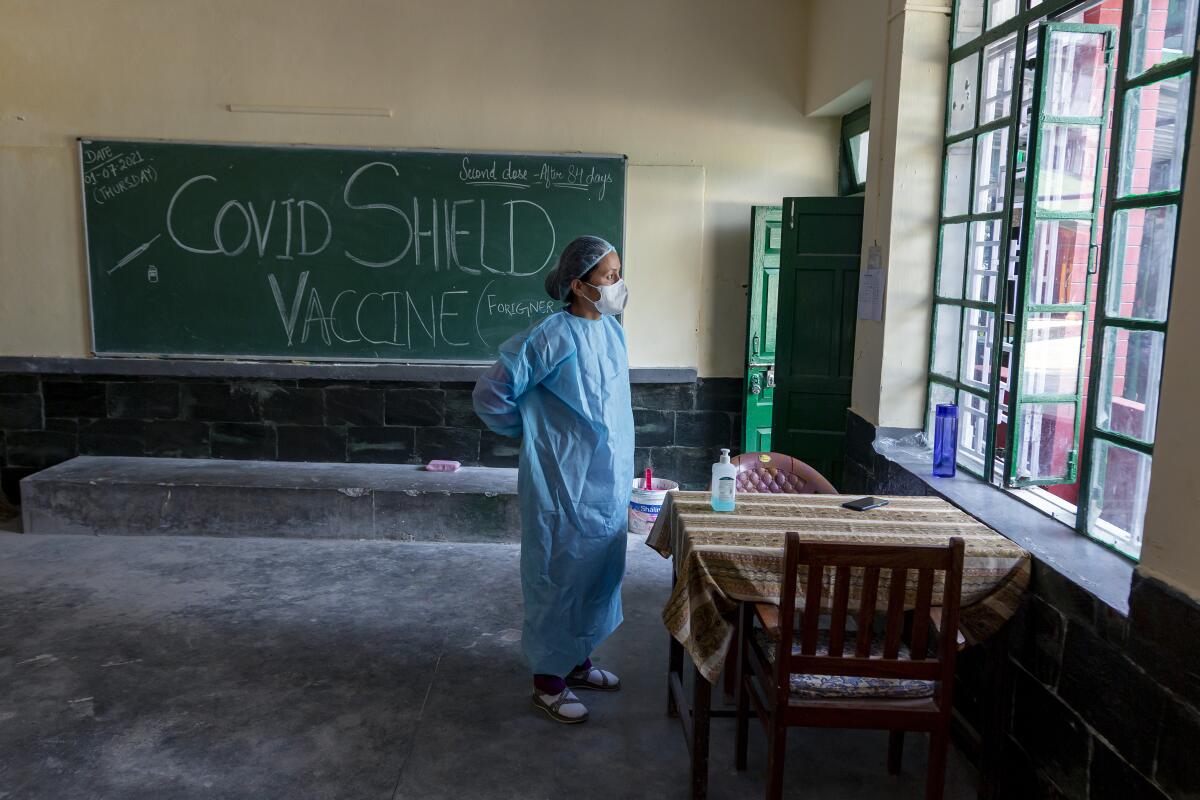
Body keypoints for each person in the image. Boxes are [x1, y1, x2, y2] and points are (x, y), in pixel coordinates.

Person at [473, 235, 634, 724]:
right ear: (578, 285)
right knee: (558, 574)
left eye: (618, 274)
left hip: (606, 482)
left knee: (594, 572)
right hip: (561, 483)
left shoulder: (611, 330)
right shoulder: (550, 335)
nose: (618, 285)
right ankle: (547, 680)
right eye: (608, 277)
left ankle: (577, 661)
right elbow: (490, 395)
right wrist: (534, 433)